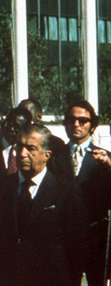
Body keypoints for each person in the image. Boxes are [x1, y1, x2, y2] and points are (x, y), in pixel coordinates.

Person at [0, 124, 86, 286]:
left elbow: (76, 245)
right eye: (19, 147)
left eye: (31, 148)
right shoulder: (1, 189)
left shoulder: (65, 192)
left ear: (46, 155)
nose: (22, 154)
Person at [64, 100, 111, 286]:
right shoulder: (54, 156)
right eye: (72, 120)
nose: (76, 124)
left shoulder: (105, 158)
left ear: (92, 126)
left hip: (96, 237)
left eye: (83, 120)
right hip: (64, 237)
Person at [18, 96, 76, 180]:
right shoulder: (12, 139)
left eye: (31, 148)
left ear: (38, 116)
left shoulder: (55, 144)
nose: (22, 117)